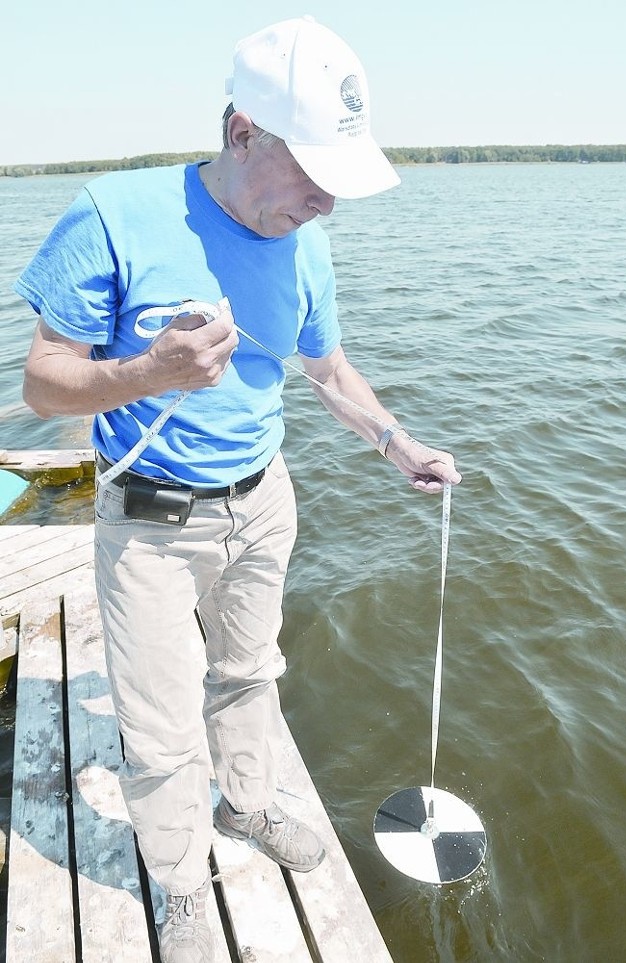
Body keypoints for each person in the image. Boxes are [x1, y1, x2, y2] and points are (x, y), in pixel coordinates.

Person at [17, 15, 461, 963]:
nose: (327, 207)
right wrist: (149, 374)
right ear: (241, 130)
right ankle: (180, 883)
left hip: (264, 504)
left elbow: (329, 371)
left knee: (252, 673)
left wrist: (398, 443)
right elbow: (42, 378)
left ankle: (250, 805)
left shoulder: (305, 242)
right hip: (149, 521)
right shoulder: (113, 214)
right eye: (315, 177)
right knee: (161, 726)